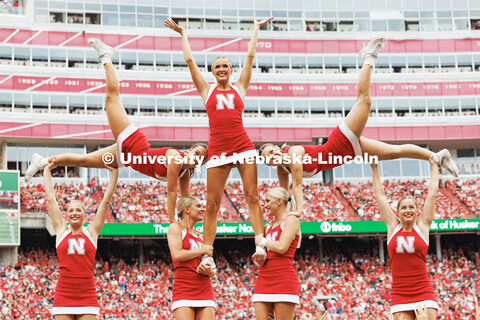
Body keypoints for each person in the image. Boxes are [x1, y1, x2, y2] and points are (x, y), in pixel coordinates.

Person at [259, 37, 458, 214]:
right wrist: (282, 214)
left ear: (277, 148)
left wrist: (298, 211)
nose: (271, 157)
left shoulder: (293, 154)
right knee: (395, 152)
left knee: (364, 101)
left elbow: (298, 186)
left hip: (338, 143)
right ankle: (436, 157)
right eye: (267, 158)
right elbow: (284, 195)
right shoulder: (281, 170)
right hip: (347, 154)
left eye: (270, 151)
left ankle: (368, 57)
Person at [25, 39, 208, 223]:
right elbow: (171, 192)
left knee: (84, 160)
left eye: (202, 158)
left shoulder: (186, 173)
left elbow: (185, 200)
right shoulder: (177, 159)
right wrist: (173, 222)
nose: (198, 158)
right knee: (112, 98)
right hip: (133, 143)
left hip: (128, 158)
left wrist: (196, 217)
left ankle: (40, 161)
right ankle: (106, 56)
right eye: (197, 152)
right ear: (190, 150)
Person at [165, 18, 274, 267]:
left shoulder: (240, 88)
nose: (222, 69)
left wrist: (256, 28)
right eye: (217, 67)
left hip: (243, 146)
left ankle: (260, 243)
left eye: (225, 65)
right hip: (218, 149)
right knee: (212, 204)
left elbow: (249, 56)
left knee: (252, 197)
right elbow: (190, 61)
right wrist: (183, 33)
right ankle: (207, 253)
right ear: (213, 72)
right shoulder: (207, 90)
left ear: (230, 70)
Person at [44, 159, 118, 319]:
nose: (74, 212)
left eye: (78, 210)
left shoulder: (91, 232)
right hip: (63, 293)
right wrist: (47, 171)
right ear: (67, 215)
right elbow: (51, 198)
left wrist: (114, 173)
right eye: (71, 210)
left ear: (85, 215)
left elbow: (105, 201)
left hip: (87, 294)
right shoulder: (61, 230)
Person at [371, 156, 439, 320]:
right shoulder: (392, 226)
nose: (407, 210)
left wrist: (434, 166)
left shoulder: (422, 226)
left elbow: (432, 195)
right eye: (403, 208)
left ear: (417, 210)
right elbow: (380, 196)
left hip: (423, 291)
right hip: (400, 293)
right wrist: (374, 167)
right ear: (398, 211)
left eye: (411, 207)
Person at [252, 187, 300, 320]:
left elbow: (282, 247)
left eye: (268, 201)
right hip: (263, 279)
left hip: (284, 280)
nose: (265, 205)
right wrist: (258, 259)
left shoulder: (291, 220)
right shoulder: (268, 226)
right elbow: (259, 262)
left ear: (279, 201)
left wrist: (262, 240)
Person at [167, 196, 216, 320]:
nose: (202, 209)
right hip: (184, 288)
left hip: (205, 288)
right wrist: (202, 250)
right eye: (198, 206)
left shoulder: (200, 235)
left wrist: (210, 272)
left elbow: (209, 263)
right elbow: (177, 255)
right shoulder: (175, 228)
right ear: (187, 209)